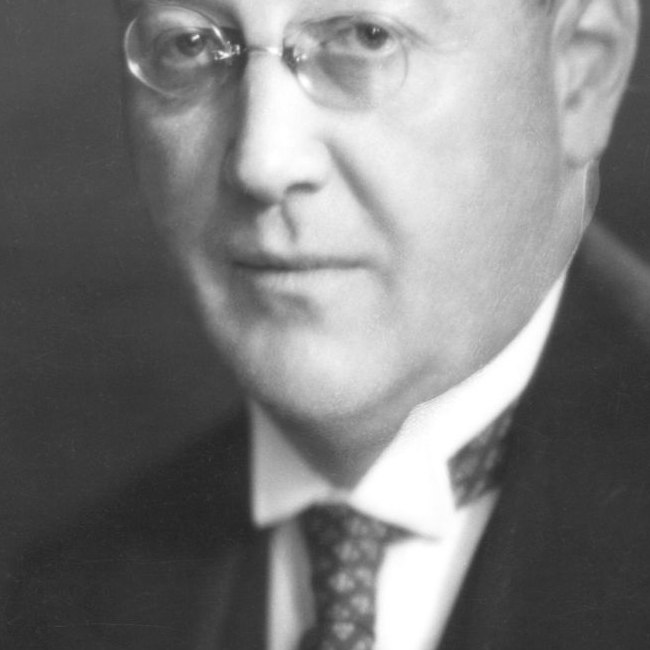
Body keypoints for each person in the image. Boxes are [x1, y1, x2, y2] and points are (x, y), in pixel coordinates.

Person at [5, 0, 650, 648]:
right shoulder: (56, 605)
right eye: (191, 45)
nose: (262, 162)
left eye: (367, 39)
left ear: (581, 70)